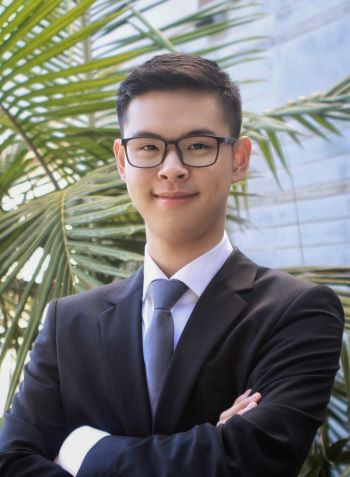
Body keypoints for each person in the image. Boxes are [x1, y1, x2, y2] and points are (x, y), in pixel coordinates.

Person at [0, 53, 344, 477]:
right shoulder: (68, 323)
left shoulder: (297, 311)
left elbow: (251, 461)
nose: (172, 168)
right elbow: (11, 463)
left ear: (238, 159)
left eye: (197, 146)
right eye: (148, 147)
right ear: (123, 161)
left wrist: (82, 450)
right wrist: (209, 446)